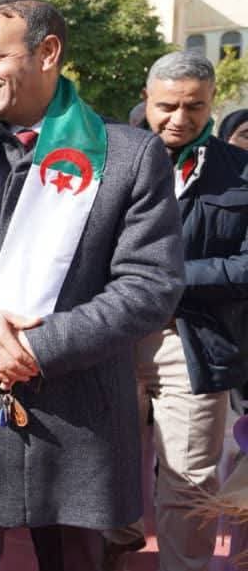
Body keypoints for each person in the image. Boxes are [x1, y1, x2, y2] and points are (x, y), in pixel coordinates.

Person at [0, 0, 185, 570]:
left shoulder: (130, 156)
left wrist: (32, 348)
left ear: (48, 53)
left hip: (75, 418)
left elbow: (148, 286)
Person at [103, 51, 248, 571]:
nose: (180, 119)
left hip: (192, 342)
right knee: (102, 470)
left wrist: (171, 277)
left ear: (213, 102)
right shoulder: (105, 160)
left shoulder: (240, 170)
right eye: (167, 106)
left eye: (195, 106)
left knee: (188, 481)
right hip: (108, 337)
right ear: (146, 99)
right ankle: (110, 550)